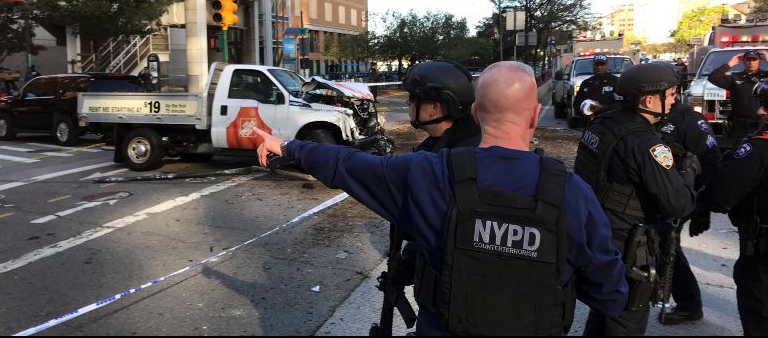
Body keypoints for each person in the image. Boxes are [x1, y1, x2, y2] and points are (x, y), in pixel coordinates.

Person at [253, 61, 628, 335]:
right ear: (534, 116)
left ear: (477, 113)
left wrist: (288, 146)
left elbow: (349, 164)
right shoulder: (572, 192)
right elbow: (610, 295)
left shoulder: (430, 173)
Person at [574, 63, 696, 336]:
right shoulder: (645, 144)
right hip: (627, 242)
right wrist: (687, 173)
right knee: (628, 316)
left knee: (605, 308)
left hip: (596, 231)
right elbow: (678, 204)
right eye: (671, 93)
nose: (675, 99)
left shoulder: (603, 122)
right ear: (649, 99)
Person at [370, 60, 480, 334]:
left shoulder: (456, 157)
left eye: (414, 99)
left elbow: (446, 229)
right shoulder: (442, 146)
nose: (409, 104)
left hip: (453, 303)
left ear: (435, 107)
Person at [655, 89, 722, 326]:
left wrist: (701, 209)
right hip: (662, 193)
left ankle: (689, 305)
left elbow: (711, 162)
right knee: (658, 244)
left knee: (666, 244)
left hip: (683, 195)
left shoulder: (688, 120)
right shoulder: (654, 116)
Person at [709, 78, 768, 336]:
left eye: (766, 105)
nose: (760, 111)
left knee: (758, 310)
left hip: (762, 252)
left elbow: (721, 194)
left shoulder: (758, 148)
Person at [403, 60, 480, 152]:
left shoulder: (447, 160)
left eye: (412, 98)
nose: (408, 102)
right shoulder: (470, 136)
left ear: (434, 108)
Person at [708, 49, 768, 146]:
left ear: (759, 61)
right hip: (740, 127)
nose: (751, 62)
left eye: (754, 59)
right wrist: (730, 64)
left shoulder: (766, 76)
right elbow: (713, 78)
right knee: (739, 156)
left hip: (763, 125)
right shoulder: (735, 77)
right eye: (748, 60)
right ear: (743, 61)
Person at [573, 54, 621, 120]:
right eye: (597, 64)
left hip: (610, 123)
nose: (599, 67)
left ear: (607, 65)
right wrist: (583, 113)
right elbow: (576, 104)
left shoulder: (616, 82)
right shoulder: (586, 83)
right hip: (590, 124)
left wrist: (602, 107)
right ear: (593, 65)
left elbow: (621, 105)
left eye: (602, 65)